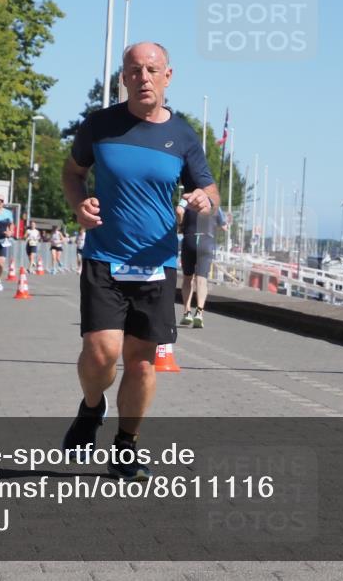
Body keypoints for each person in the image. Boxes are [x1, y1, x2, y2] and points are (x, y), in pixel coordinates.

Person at [62, 41, 219, 482]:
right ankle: (92, 408)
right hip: (104, 256)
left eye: (152, 69)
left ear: (168, 76)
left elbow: (211, 194)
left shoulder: (184, 136)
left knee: (142, 362)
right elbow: (72, 172)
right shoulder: (100, 126)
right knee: (101, 352)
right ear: (123, 78)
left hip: (156, 264)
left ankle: (125, 445)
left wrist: (200, 199)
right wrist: (79, 207)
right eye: (134, 70)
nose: (143, 77)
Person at [178, 205, 227, 329]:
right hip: (206, 240)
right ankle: (199, 313)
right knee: (202, 279)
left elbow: (179, 211)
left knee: (187, 278)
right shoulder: (215, 205)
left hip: (189, 238)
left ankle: (187, 312)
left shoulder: (188, 200)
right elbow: (224, 226)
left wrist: (181, 225)